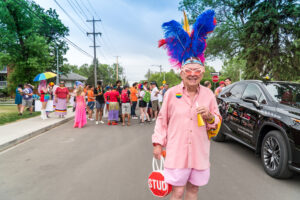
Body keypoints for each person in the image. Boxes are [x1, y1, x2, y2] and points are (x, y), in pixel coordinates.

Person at [153, 10, 221, 200]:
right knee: (178, 191)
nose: (193, 74)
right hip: (176, 153)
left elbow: (217, 121)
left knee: (193, 191)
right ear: (181, 73)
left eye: (197, 70)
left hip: (199, 153)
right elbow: (162, 119)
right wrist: (158, 143)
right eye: (188, 70)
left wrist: (209, 116)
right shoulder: (171, 93)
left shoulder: (208, 94)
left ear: (202, 72)